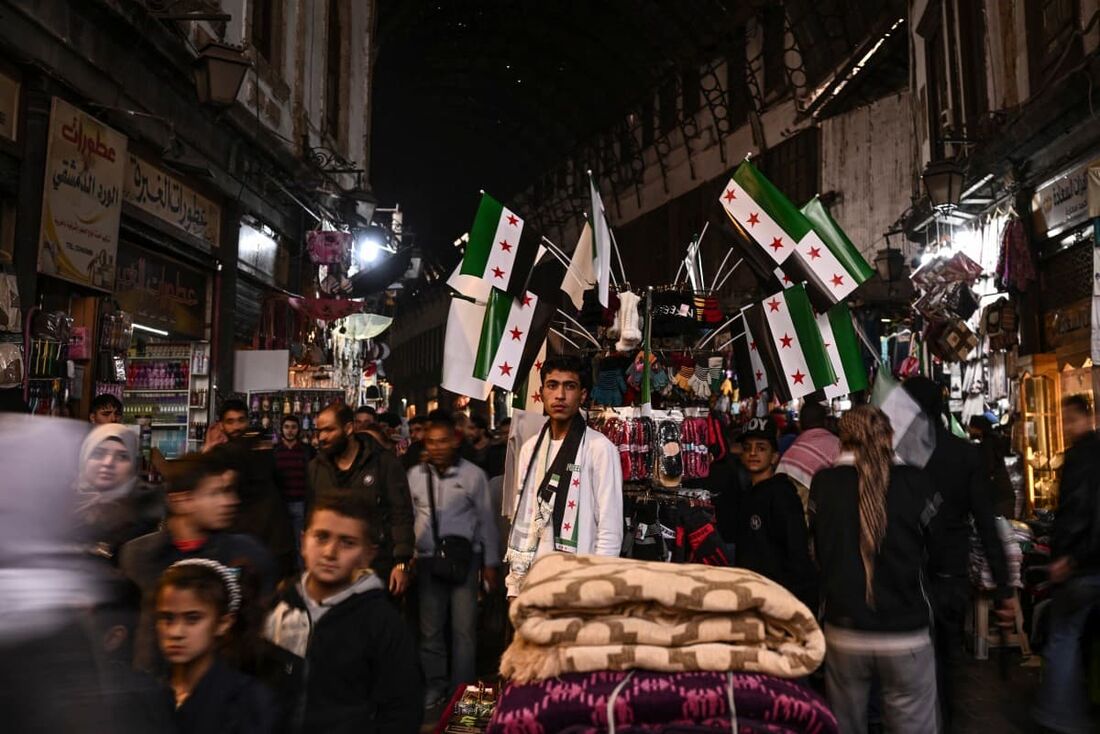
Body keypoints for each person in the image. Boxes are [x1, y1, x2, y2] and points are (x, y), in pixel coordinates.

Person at [809, 405, 939, 734]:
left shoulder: (824, 483)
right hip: (906, 632)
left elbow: (817, 552)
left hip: (844, 629)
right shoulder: (916, 481)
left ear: (843, 438)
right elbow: (938, 549)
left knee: (846, 725)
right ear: (889, 437)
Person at [903, 376, 1013, 732]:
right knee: (948, 665)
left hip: (907, 575)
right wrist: (1004, 586)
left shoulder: (900, 455)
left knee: (910, 669)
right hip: (951, 575)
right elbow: (985, 522)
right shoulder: (966, 454)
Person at [263, 488, 423, 733]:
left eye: (347, 543)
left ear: (368, 554)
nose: (330, 552)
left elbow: (402, 710)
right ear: (303, 542)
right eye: (321, 537)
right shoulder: (280, 607)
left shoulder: (382, 623)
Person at [119, 452, 275, 671]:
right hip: (153, 686)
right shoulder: (139, 556)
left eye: (229, 492)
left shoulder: (247, 554)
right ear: (182, 501)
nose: (230, 501)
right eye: (217, 493)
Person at [504, 355, 623, 598]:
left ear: (583, 395)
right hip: (535, 580)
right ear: (542, 392)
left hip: (581, 583)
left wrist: (598, 588)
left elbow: (610, 528)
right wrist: (514, 586)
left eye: (569, 386)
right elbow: (520, 514)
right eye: (552, 385)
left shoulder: (599, 448)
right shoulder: (530, 448)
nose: (560, 395)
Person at [408, 412, 500, 708]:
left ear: (454, 441)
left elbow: (486, 520)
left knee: (464, 629)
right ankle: (434, 687)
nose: (436, 447)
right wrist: (408, 557)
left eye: (443, 441)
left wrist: (490, 564)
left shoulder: (473, 476)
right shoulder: (415, 476)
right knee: (430, 630)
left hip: (466, 560)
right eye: (431, 442)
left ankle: (462, 691)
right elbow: (409, 518)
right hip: (427, 560)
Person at [1033, 394, 1100, 732]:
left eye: (1069, 420)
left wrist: (1066, 557)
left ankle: (1058, 716)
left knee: (1063, 635)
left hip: (1081, 566)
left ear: (1083, 417)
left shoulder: (1079, 458)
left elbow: (1076, 510)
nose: (1067, 426)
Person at [156, 560, 274, 734]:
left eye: (192, 619)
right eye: (167, 618)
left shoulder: (248, 701)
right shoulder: (147, 693)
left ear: (223, 623)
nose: (175, 632)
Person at [308, 404, 415, 597]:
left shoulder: (384, 463)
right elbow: (312, 516)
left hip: (377, 564)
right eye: (319, 431)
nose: (321, 437)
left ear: (348, 429)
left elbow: (401, 513)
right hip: (334, 567)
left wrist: (401, 563)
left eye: (329, 430)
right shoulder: (317, 468)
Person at [719, 416, 816, 610]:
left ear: (774, 456)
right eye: (747, 447)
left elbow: (797, 554)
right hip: (750, 599)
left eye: (761, 448)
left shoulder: (782, 495)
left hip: (778, 602)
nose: (753, 453)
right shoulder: (746, 494)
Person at [212, 399, 297, 578]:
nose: (237, 426)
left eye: (241, 420)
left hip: (273, 540)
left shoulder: (254, 444)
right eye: (230, 421)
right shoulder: (248, 447)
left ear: (248, 421)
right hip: (244, 542)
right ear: (221, 425)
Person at [76, 423, 163, 561]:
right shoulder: (62, 501)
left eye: (122, 457)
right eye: (98, 454)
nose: (108, 463)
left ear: (134, 465)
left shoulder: (147, 509)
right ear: (84, 457)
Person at [777, 401, 841, 517]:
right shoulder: (837, 445)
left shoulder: (791, 451)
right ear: (825, 422)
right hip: (828, 514)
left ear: (800, 423)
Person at [273, 415, 314, 544]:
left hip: (300, 503)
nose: (290, 431)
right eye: (286, 427)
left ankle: (300, 565)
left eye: (293, 427)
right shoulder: (274, 452)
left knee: (300, 542)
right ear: (281, 429)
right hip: (280, 503)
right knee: (281, 541)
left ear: (299, 430)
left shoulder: (307, 451)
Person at [967, 415, 1015, 519]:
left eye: (970, 427)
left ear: (978, 429)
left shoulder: (987, 445)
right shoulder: (993, 441)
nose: (969, 430)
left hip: (999, 496)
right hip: (1004, 494)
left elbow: (989, 468)